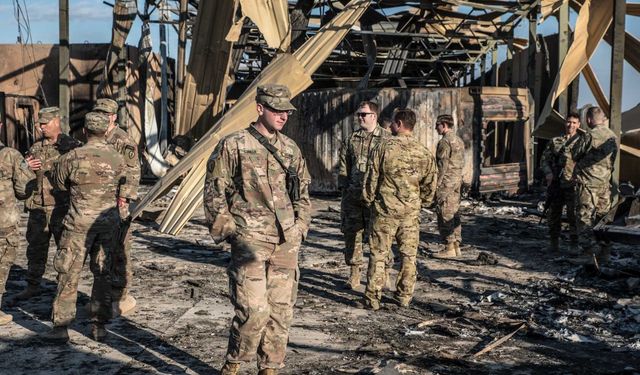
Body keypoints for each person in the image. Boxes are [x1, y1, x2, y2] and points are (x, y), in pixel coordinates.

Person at [204, 84, 311, 375]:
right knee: (253, 311)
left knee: (280, 313)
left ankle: (270, 368)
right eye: (277, 110)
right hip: (250, 240)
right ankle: (234, 365)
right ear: (260, 108)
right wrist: (230, 231)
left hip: (285, 241)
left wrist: (300, 227)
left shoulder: (290, 149)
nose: (283, 116)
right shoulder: (233, 144)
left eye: (286, 111)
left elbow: (302, 192)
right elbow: (215, 191)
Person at [47, 112, 125, 342]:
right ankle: (99, 326)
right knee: (102, 274)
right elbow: (126, 185)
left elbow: (59, 184)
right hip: (108, 225)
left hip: (77, 224)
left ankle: (61, 327)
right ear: (105, 130)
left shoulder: (71, 157)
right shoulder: (117, 158)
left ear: (85, 131)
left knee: (69, 272)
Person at [362, 108, 437, 309]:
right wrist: (423, 201)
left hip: (385, 211)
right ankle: (404, 296)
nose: (392, 126)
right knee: (409, 256)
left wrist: (369, 199)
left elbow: (371, 177)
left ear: (400, 124)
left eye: (393, 123)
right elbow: (431, 183)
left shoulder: (383, 147)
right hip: (410, 213)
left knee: (378, 254)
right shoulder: (423, 151)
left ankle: (373, 298)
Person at [11, 107, 82, 304]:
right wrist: (25, 167)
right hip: (38, 207)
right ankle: (33, 285)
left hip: (61, 207)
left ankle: (63, 290)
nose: (41, 127)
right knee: (35, 249)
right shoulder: (35, 147)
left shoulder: (72, 146)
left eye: (45, 123)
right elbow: (24, 176)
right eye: (39, 124)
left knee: (64, 250)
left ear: (56, 121)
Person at [94, 98, 140, 316]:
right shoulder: (97, 137)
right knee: (102, 249)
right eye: (98, 113)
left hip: (117, 202)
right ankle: (104, 292)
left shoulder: (122, 139)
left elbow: (133, 172)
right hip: (99, 200)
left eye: (105, 114)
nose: (102, 116)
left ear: (113, 116)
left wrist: (124, 197)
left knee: (120, 248)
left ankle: (120, 294)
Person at [338, 101, 390, 289]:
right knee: (352, 235)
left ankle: (383, 274)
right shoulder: (351, 139)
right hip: (353, 197)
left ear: (374, 116)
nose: (360, 117)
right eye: (359, 114)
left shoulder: (387, 139)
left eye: (364, 114)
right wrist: (344, 193)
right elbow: (344, 168)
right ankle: (354, 274)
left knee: (379, 236)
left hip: (377, 198)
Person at [572, 106, 618, 264]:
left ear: (589, 120)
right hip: (604, 184)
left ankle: (588, 254)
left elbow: (575, 154)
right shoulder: (612, 135)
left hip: (587, 183)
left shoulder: (589, 135)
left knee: (584, 217)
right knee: (603, 218)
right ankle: (605, 253)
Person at [0, 120, 35, 325]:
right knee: (2, 265)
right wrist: (25, 168)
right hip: (4, 222)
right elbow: (23, 191)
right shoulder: (11, 155)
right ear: (1, 126)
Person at [539, 112, 583, 253]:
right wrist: (548, 173)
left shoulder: (582, 142)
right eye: (569, 122)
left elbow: (587, 163)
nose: (571, 125)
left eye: (574, 122)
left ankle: (574, 245)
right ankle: (553, 243)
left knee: (573, 216)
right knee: (553, 214)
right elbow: (544, 160)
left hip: (572, 184)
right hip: (556, 183)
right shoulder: (555, 141)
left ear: (579, 125)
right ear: (565, 123)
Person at [432, 114, 465, 259]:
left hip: (446, 182)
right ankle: (456, 245)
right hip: (457, 180)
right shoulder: (459, 140)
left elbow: (442, 166)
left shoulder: (445, 142)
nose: (435, 127)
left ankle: (449, 247)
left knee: (444, 212)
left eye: (437, 124)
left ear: (444, 125)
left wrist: (435, 185)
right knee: (454, 212)